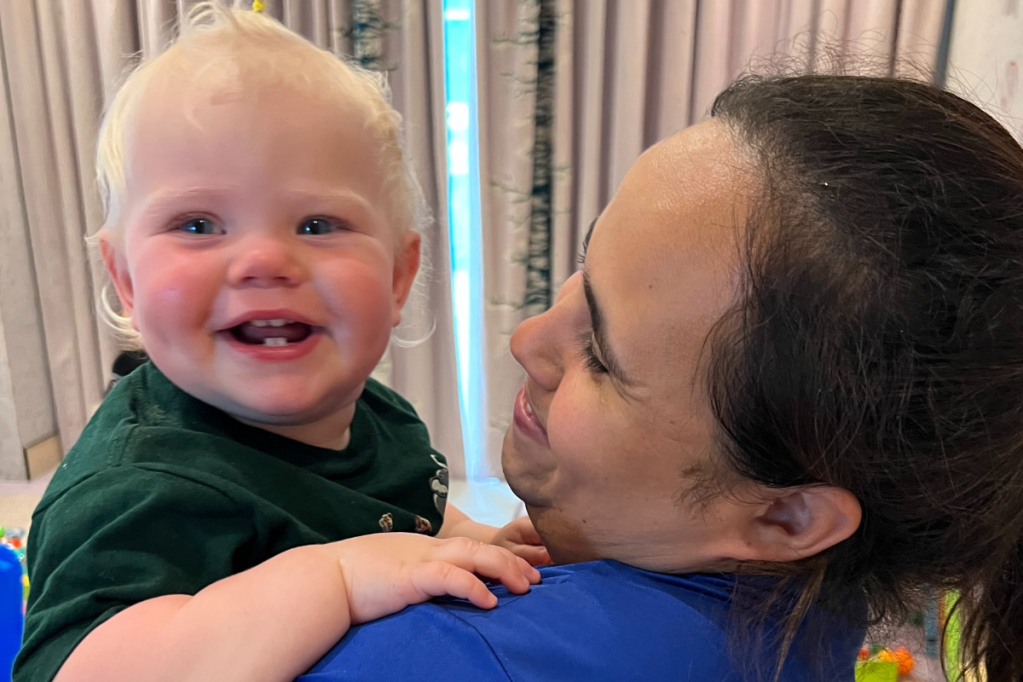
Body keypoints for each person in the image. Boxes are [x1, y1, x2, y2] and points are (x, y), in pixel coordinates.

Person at [296, 75, 1022, 681]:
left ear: (785, 518)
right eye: (586, 267)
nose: (526, 341)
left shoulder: (446, 657)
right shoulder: (820, 603)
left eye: (603, 359)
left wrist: (318, 584)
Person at [14, 5, 547, 682]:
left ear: (396, 275)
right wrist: (334, 580)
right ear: (125, 278)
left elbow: (403, 518)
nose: (263, 259)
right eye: (199, 224)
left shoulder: (379, 416)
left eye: (318, 223)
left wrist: (475, 542)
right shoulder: (142, 488)